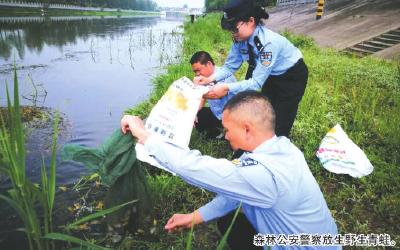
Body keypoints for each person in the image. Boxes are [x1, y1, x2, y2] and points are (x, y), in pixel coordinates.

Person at [121, 91, 339, 250]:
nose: (225, 135)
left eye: (227, 129)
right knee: (229, 223)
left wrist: (144, 135)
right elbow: (236, 192)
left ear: (246, 129)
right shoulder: (282, 147)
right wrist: (195, 217)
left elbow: (193, 167)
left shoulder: (263, 175)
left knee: (234, 227)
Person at [194, 0, 308, 138]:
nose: (232, 33)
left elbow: (256, 83)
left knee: (281, 119)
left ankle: (277, 146)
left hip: (291, 75)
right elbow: (230, 66)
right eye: (230, 29)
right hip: (270, 74)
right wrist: (209, 79)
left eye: (234, 28)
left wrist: (226, 88)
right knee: (265, 112)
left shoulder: (267, 45)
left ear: (250, 21)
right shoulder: (239, 40)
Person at [190, 51, 237, 139]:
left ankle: (227, 133)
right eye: (195, 71)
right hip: (217, 114)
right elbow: (202, 98)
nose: (197, 74)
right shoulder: (204, 78)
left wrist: (195, 89)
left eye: (198, 70)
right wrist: (193, 112)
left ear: (209, 64)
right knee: (197, 115)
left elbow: (215, 95)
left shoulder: (225, 76)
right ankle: (217, 132)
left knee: (233, 141)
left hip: (233, 117)